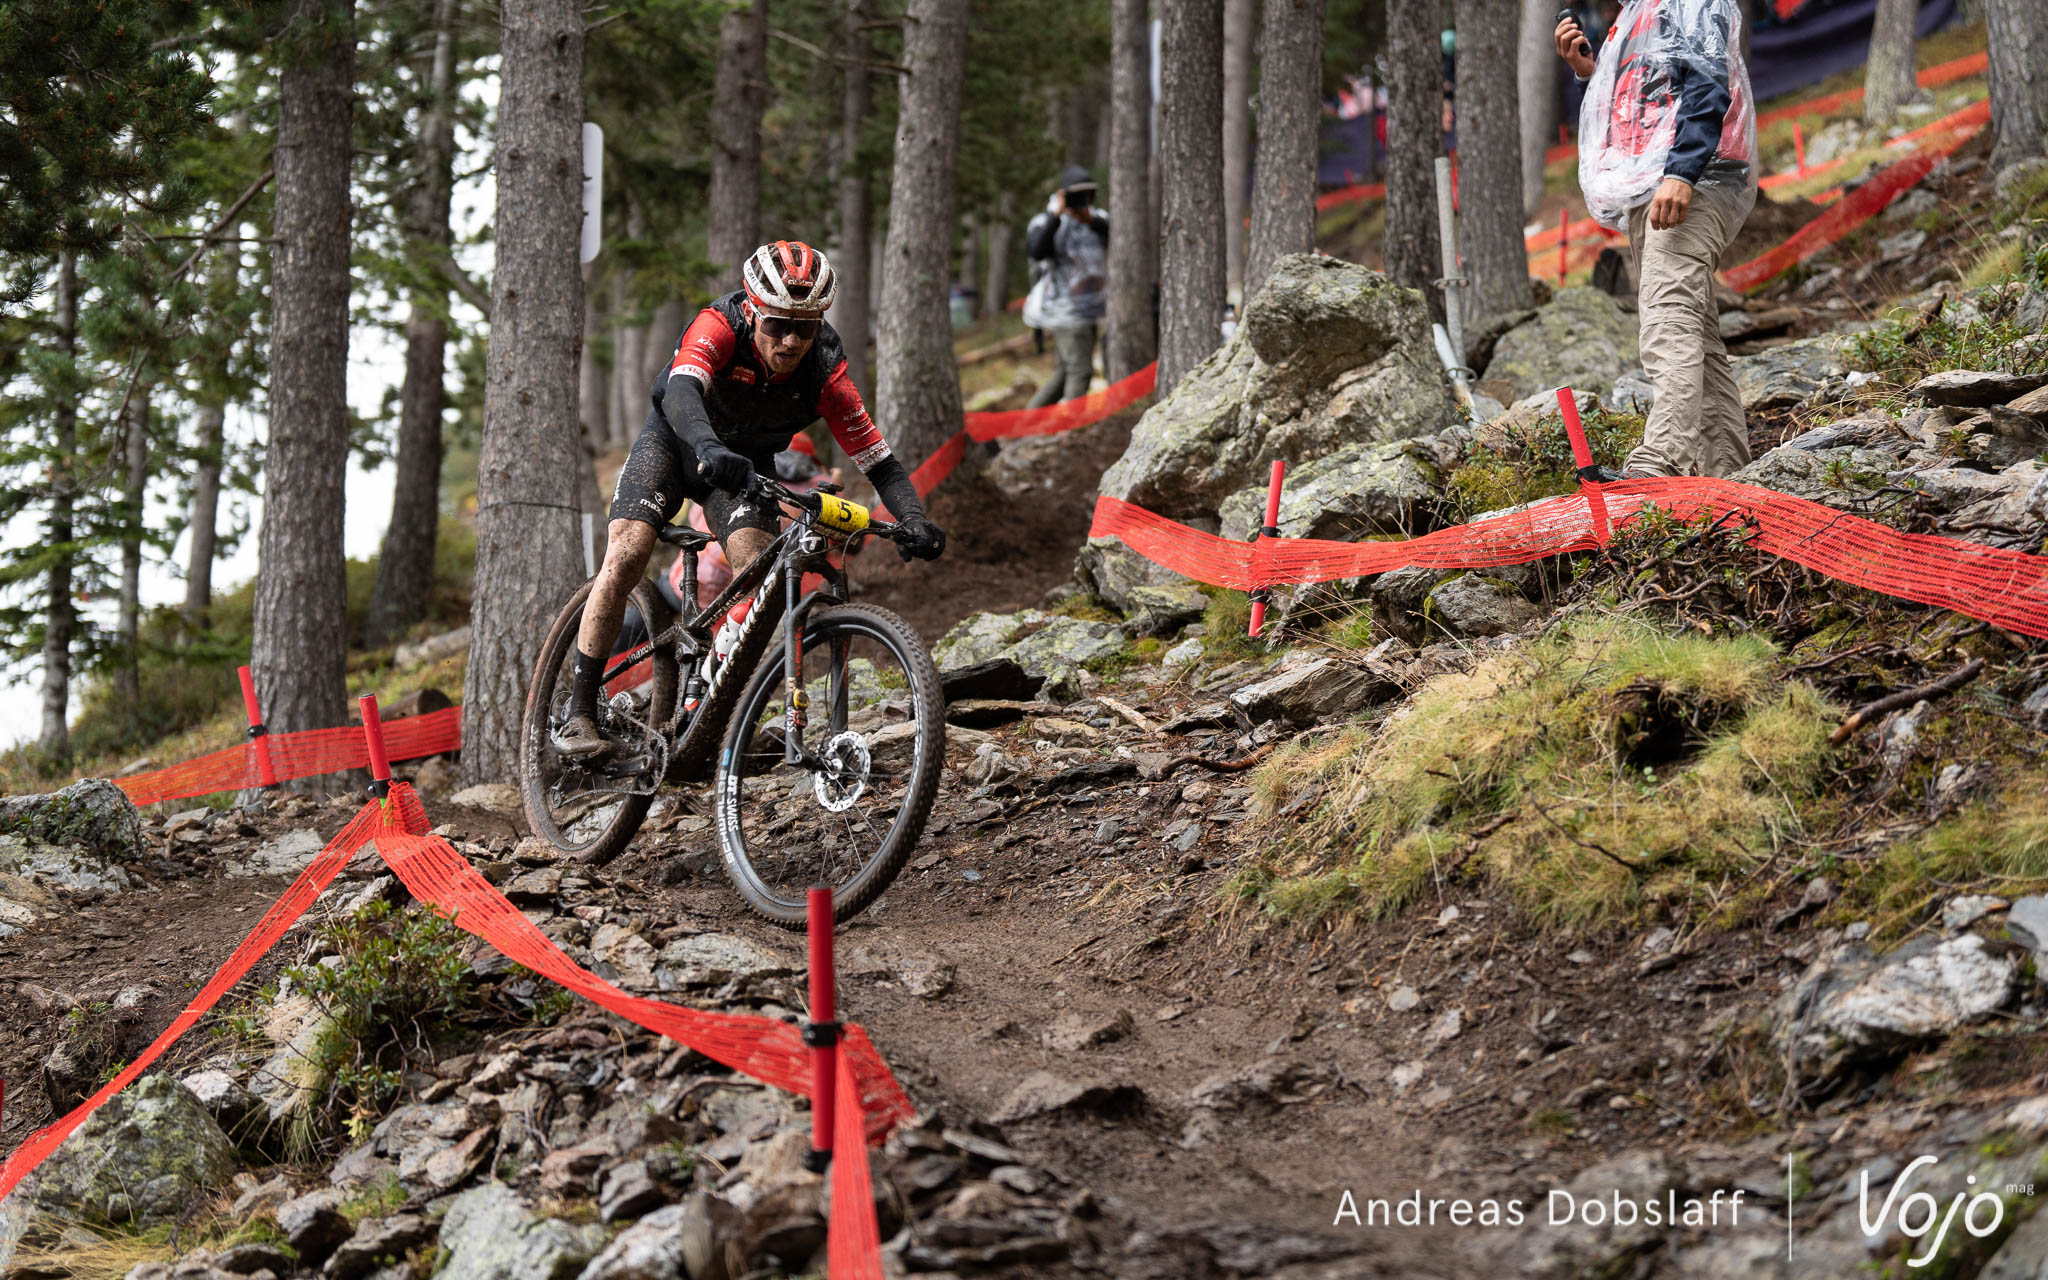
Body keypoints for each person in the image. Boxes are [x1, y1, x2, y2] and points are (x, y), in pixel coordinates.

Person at [561, 240, 947, 759]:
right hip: (676, 444)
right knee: (628, 553)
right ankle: (579, 711)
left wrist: (913, 518)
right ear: (752, 310)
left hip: (741, 470)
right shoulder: (719, 324)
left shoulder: (826, 373)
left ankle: (710, 699)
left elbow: (879, 461)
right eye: (777, 326)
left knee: (759, 575)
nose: (790, 341)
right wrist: (706, 445)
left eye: (805, 328)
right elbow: (679, 393)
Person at [1558, 0, 1756, 479]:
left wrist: (1682, 173)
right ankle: (1728, 476)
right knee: (1697, 336)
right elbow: (1641, 101)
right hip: (1658, 184)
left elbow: (1708, 82)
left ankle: (1659, 464)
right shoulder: (1634, 18)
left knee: (1668, 317)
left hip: (1693, 179)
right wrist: (1591, 72)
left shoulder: (1687, 2)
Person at [1023, 165, 1110, 408]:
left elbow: (1116, 235)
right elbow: (1036, 250)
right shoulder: (1045, 221)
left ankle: (1027, 423)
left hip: (1091, 309)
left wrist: (1089, 219)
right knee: (1080, 371)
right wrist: (1057, 215)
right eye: (1075, 195)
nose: (1082, 200)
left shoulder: (1097, 219)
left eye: (1087, 194)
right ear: (1061, 195)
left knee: (1064, 373)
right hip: (1065, 310)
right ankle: (1071, 429)